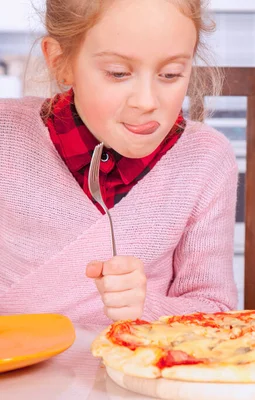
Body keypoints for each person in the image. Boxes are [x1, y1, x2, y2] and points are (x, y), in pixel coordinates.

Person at [0, 0, 239, 324]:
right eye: (118, 73)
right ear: (60, 61)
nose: (146, 102)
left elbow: (218, 314)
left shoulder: (205, 159)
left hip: (139, 369)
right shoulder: (6, 136)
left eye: (170, 74)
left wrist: (147, 307)